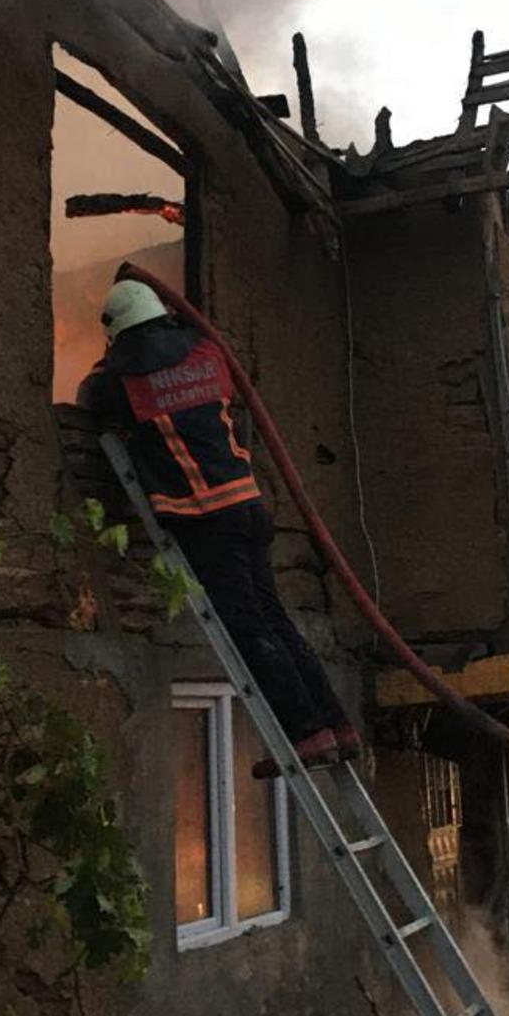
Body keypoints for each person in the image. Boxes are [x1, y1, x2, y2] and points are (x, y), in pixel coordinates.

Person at [77, 277, 360, 776]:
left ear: (118, 330)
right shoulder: (205, 353)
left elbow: (90, 399)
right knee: (276, 621)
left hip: (205, 516)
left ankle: (304, 736)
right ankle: (337, 726)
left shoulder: (125, 377)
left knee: (249, 629)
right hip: (248, 507)